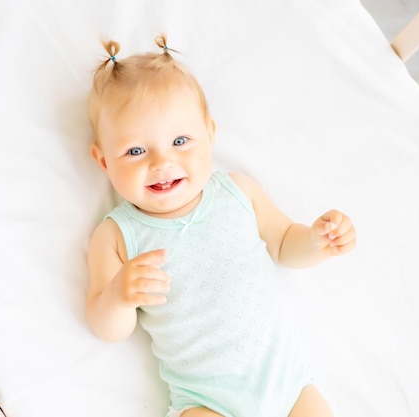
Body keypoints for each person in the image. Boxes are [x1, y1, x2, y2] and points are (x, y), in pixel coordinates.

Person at [85, 34, 356, 417]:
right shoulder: (116, 236)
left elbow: (283, 243)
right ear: (103, 161)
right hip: (206, 402)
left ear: (210, 133)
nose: (161, 162)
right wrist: (118, 295)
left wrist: (316, 241)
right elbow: (106, 326)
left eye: (180, 140)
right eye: (135, 151)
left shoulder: (237, 192)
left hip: (287, 385)